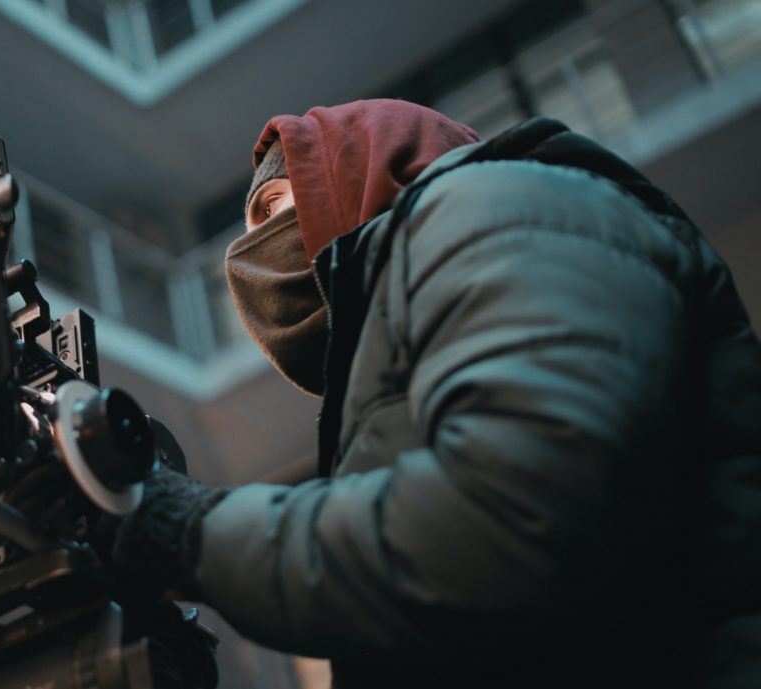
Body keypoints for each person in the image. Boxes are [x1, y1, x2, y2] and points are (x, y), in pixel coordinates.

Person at [106, 99, 761, 688]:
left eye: (278, 204)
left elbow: (513, 523)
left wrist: (192, 532)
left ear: (364, 163)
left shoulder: (497, 202)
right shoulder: (413, 315)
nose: (254, 249)